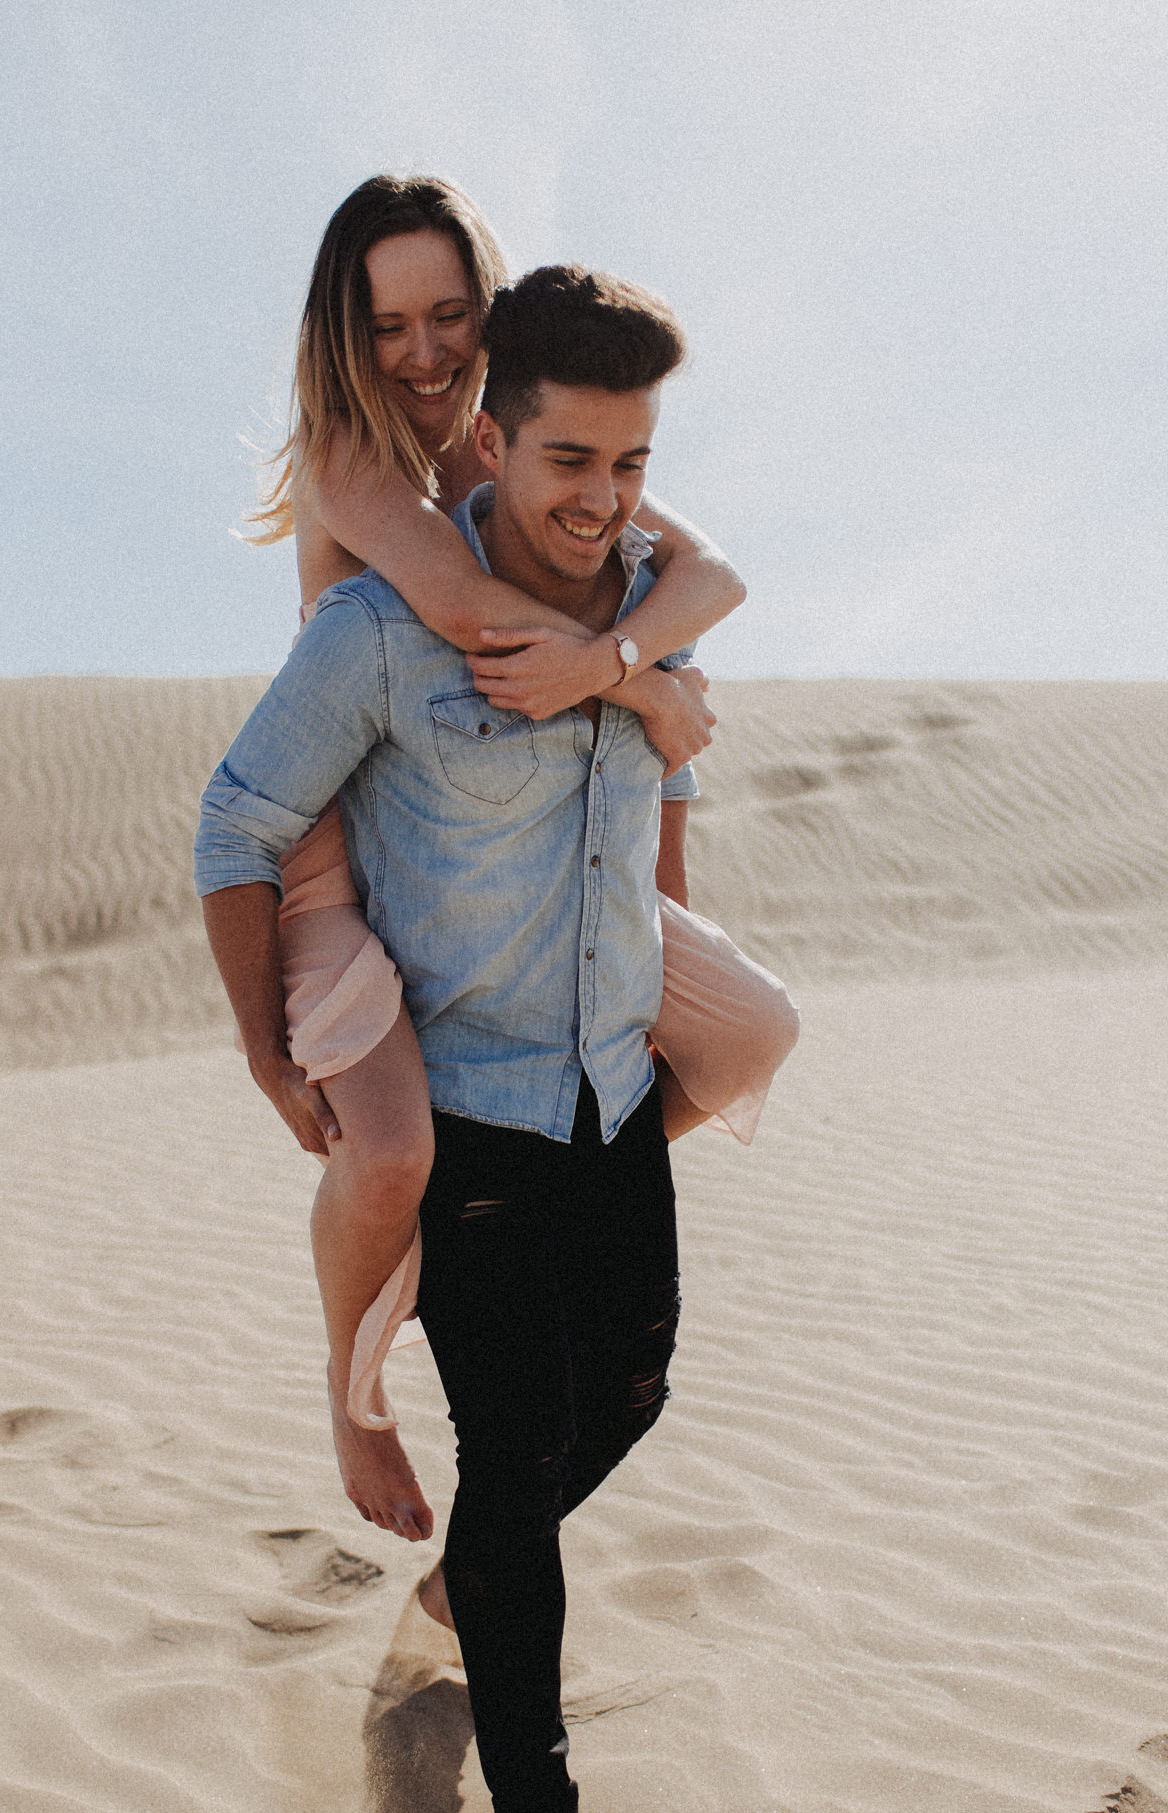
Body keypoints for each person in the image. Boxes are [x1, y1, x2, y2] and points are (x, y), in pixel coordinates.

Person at [199, 263, 722, 1813]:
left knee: (627, 1391)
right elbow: (235, 825)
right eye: (573, 461)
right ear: (490, 439)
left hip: (609, 1088)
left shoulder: (646, 611)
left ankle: (465, 1583)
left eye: (633, 463)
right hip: (477, 1108)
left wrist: (641, 693)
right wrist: (267, 1053)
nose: (605, 500)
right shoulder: (377, 634)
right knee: (513, 1454)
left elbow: (667, 821)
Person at [240, 176, 796, 1561]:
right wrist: (645, 686)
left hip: (505, 843)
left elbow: (711, 575)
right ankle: (353, 1392)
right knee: (391, 1151)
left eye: (449, 315)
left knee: (747, 1038)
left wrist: (633, 664)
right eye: (388, 325)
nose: (423, 353)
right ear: (342, 337)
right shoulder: (350, 463)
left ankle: (528, 1192)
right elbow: (465, 613)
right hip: (337, 854)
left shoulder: (528, 454)